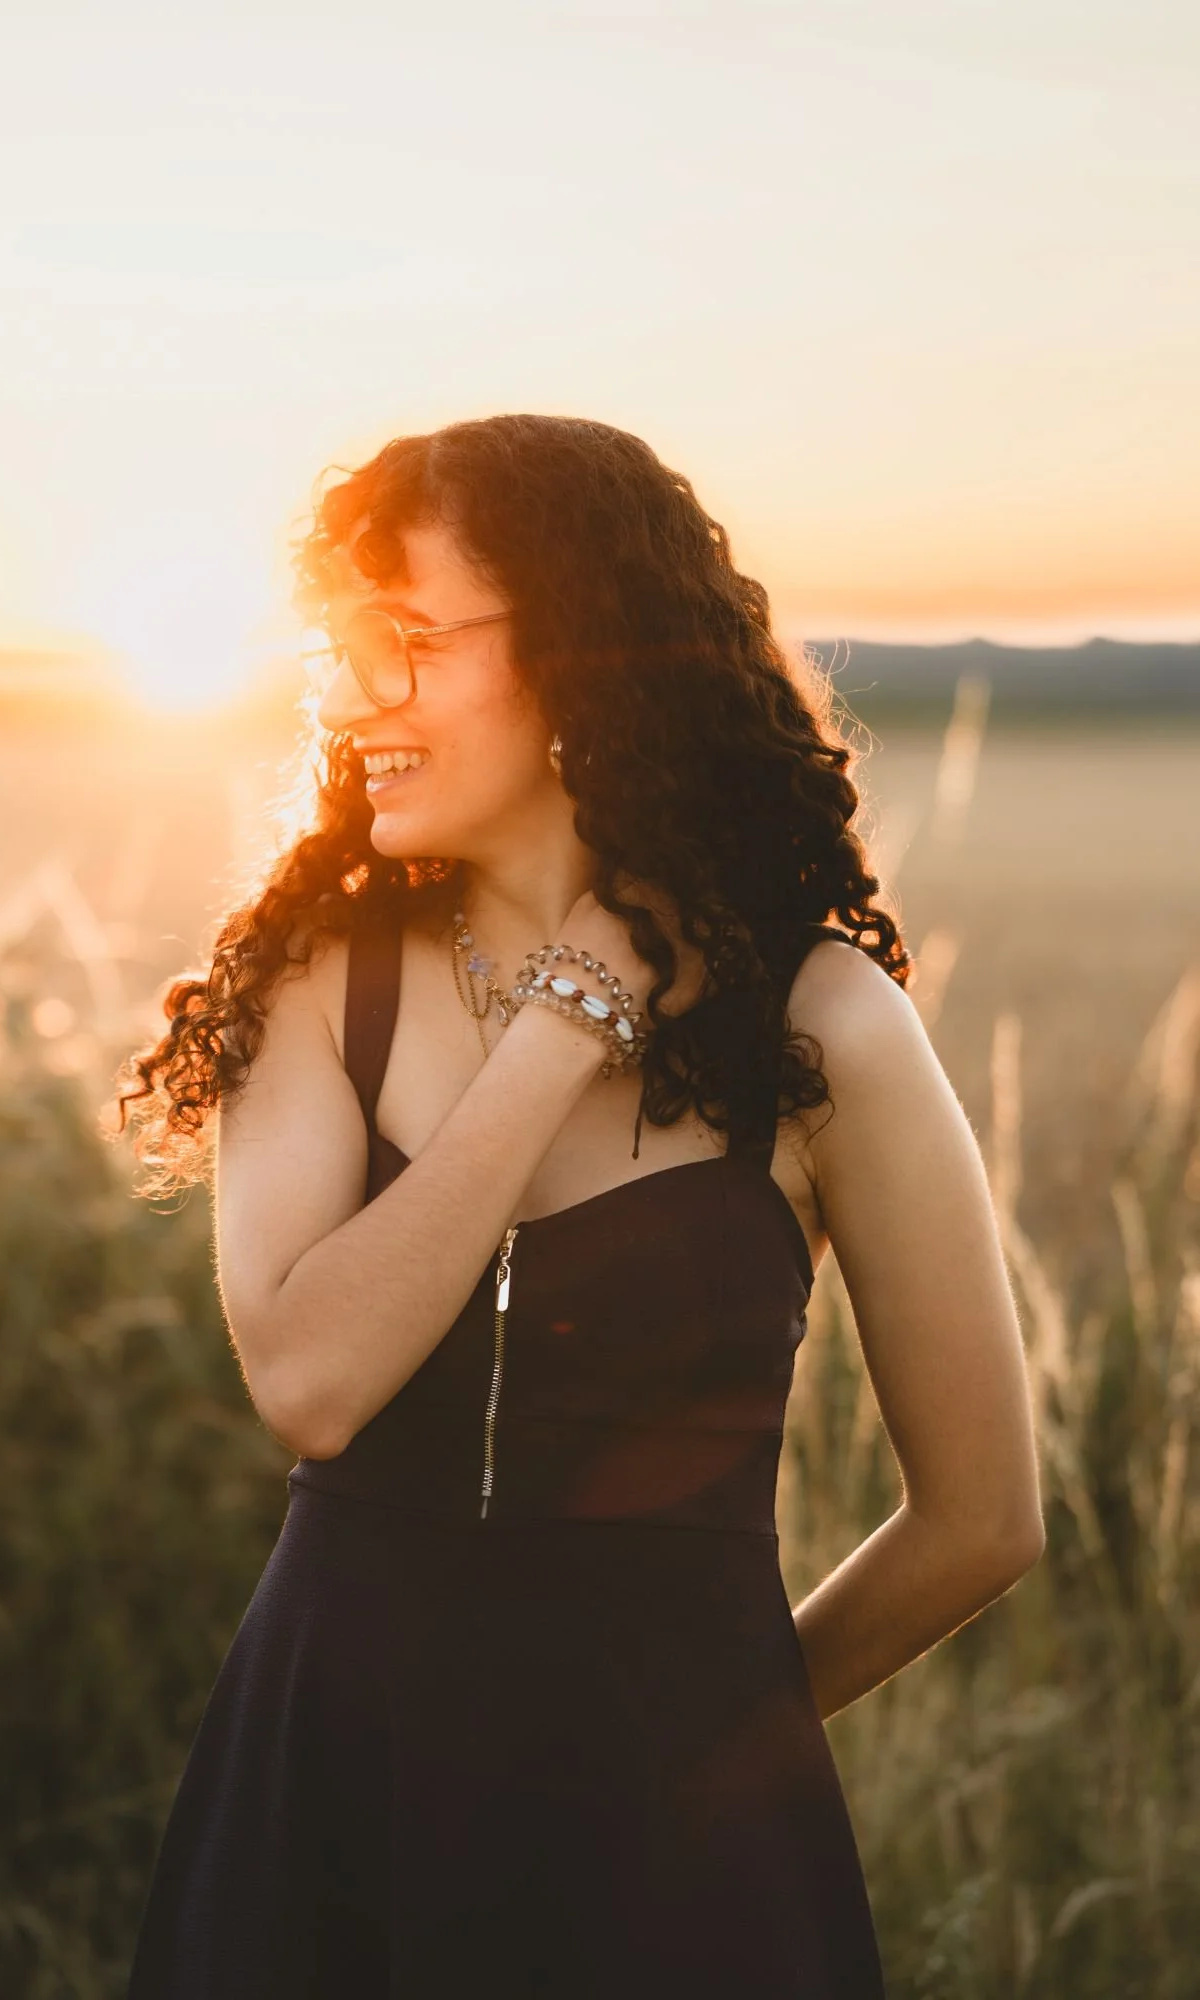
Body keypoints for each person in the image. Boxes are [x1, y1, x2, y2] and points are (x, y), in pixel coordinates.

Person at [116, 413, 1045, 1997]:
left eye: (405, 642)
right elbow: (313, 1383)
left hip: (682, 1878)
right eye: (338, 648)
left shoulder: (822, 1031)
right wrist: (566, 1021)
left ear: (579, 656)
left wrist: (704, 1739)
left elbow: (983, 1519)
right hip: (327, 1814)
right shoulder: (312, 988)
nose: (351, 703)